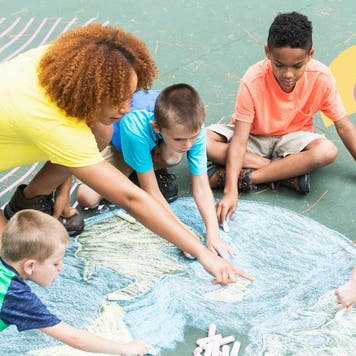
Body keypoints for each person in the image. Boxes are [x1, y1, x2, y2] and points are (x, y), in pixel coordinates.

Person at [0, 24, 251, 285]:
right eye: (116, 99)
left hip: (18, 118)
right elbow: (131, 198)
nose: (126, 108)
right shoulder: (53, 124)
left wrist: (62, 196)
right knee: (13, 264)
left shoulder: (66, 66)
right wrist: (202, 252)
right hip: (20, 118)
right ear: (90, 92)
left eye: (129, 96)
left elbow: (68, 141)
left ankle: (30, 199)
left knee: (102, 131)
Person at [206, 11, 356, 226]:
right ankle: (286, 172)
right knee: (199, 140)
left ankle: (250, 177)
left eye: (297, 66)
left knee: (327, 151)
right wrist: (230, 192)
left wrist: (237, 182)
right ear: (267, 52)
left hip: (292, 140)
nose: (288, 74)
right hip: (253, 138)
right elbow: (239, 140)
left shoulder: (321, 77)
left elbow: (344, 127)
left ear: (310, 54)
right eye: (279, 65)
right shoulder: (253, 79)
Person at [78, 84, 236, 259]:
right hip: (121, 147)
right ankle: (140, 170)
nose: (188, 145)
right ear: (156, 128)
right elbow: (151, 191)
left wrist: (213, 233)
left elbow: (201, 186)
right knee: (87, 197)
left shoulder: (192, 126)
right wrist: (185, 236)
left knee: (173, 154)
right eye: (180, 139)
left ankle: (149, 167)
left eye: (193, 137)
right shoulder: (135, 127)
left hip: (156, 146)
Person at [0, 209, 152, 355]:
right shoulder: (15, 296)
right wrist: (125, 348)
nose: (61, 267)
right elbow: (75, 338)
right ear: (30, 266)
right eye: (56, 263)